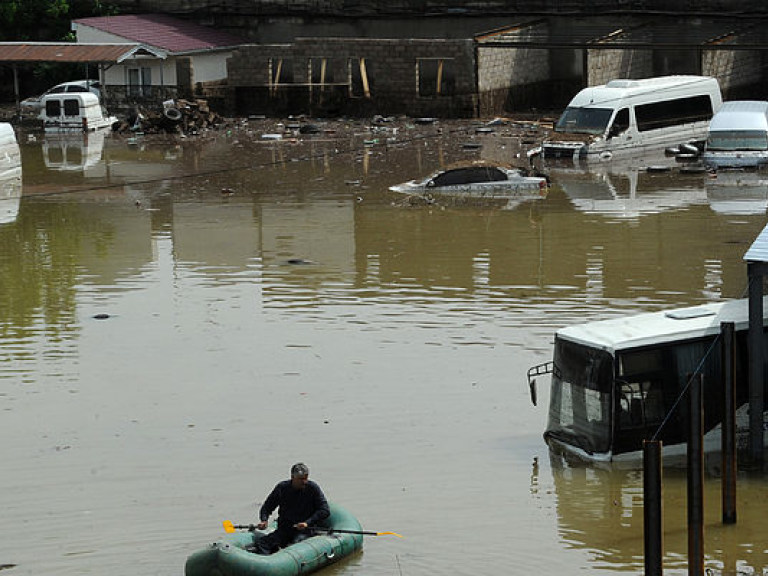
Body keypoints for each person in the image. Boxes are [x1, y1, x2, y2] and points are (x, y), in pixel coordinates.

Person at [252, 462, 330, 555]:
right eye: (301, 479)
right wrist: (264, 520)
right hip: (285, 529)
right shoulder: (282, 488)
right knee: (263, 543)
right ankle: (265, 562)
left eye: (305, 478)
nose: (304, 481)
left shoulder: (312, 488)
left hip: (304, 531)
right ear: (293, 477)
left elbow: (324, 510)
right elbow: (267, 507)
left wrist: (307, 522)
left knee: (296, 545)